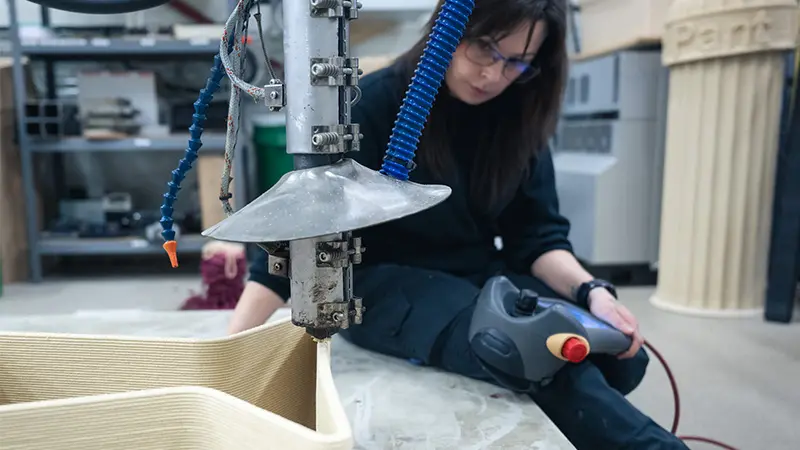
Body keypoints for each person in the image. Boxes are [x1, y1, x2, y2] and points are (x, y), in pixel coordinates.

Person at [228, 0, 689, 449]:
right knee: (532, 349)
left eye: (518, 64)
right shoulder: (372, 107)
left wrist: (594, 294)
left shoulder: (516, 120)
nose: (494, 75)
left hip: (478, 277)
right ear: (447, 27)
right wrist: (229, 357)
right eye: (486, 48)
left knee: (622, 359)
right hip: (383, 286)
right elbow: (291, 242)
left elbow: (539, 237)